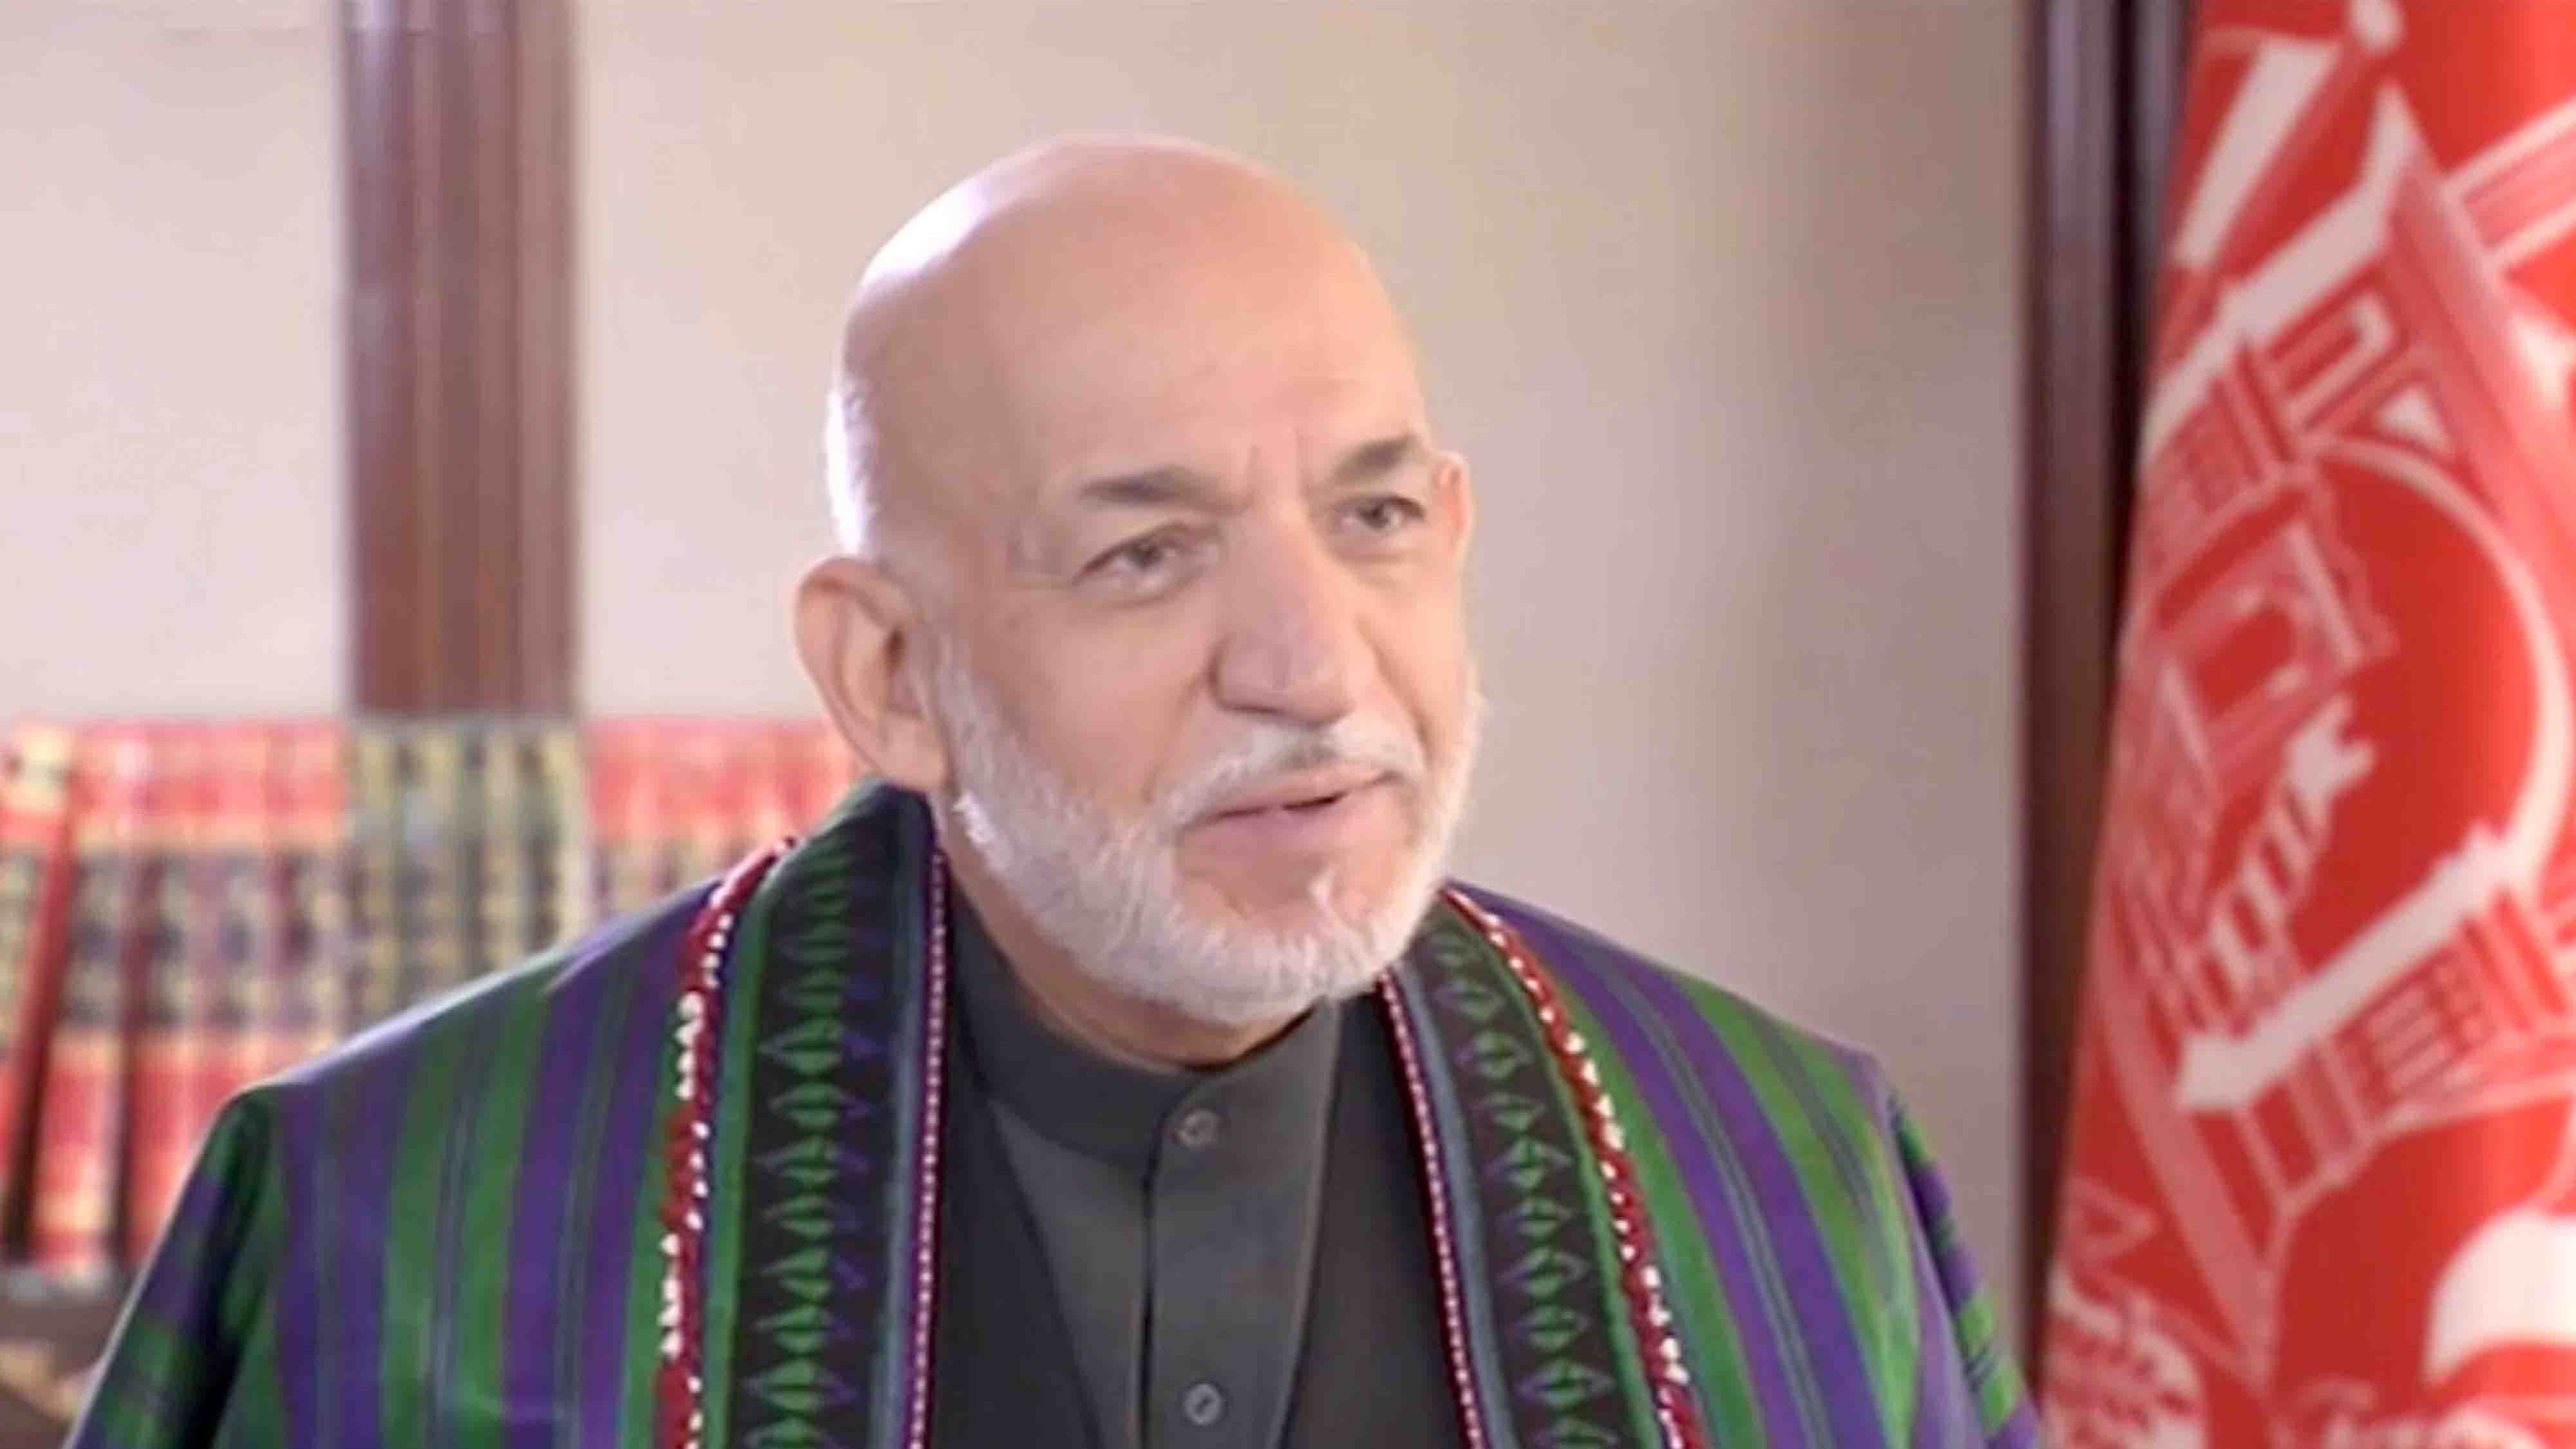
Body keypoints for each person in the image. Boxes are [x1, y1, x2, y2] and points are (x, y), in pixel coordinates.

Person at [69, 136, 2036, 1449]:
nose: (1313, 661)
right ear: (890, 674)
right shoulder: (395, 1227)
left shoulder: (1791, 1177)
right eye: (1145, 554)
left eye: (1371, 518)